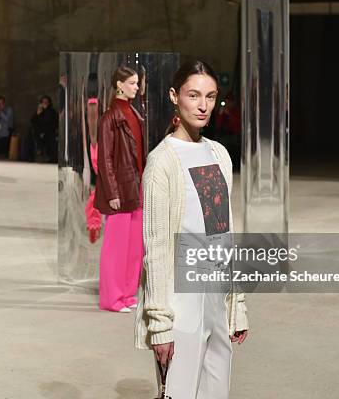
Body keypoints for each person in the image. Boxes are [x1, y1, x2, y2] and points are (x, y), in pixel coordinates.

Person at [134, 60, 249, 399]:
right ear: (174, 96)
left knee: (217, 392)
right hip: (180, 301)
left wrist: (236, 303)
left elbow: (226, 234)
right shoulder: (162, 162)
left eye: (210, 97)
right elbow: (154, 248)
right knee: (180, 392)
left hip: (214, 293)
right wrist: (159, 326)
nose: (203, 106)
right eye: (193, 95)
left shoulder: (219, 154)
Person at [94, 66, 145, 313]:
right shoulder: (109, 117)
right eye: (133, 83)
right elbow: (104, 159)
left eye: (137, 83)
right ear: (119, 85)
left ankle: (127, 294)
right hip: (120, 190)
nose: (137, 87)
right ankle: (111, 299)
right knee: (115, 248)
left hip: (136, 186)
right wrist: (112, 192)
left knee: (135, 246)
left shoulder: (134, 113)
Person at [30, 95, 58, 162]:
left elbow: (48, 122)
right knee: (32, 133)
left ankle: (44, 153)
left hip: (49, 131)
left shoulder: (51, 111)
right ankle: (36, 152)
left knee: (47, 136)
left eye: (46, 102)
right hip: (39, 131)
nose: (44, 103)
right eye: (43, 102)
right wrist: (38, 114)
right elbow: (33, 121)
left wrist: (43, 132)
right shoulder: (39, 111)